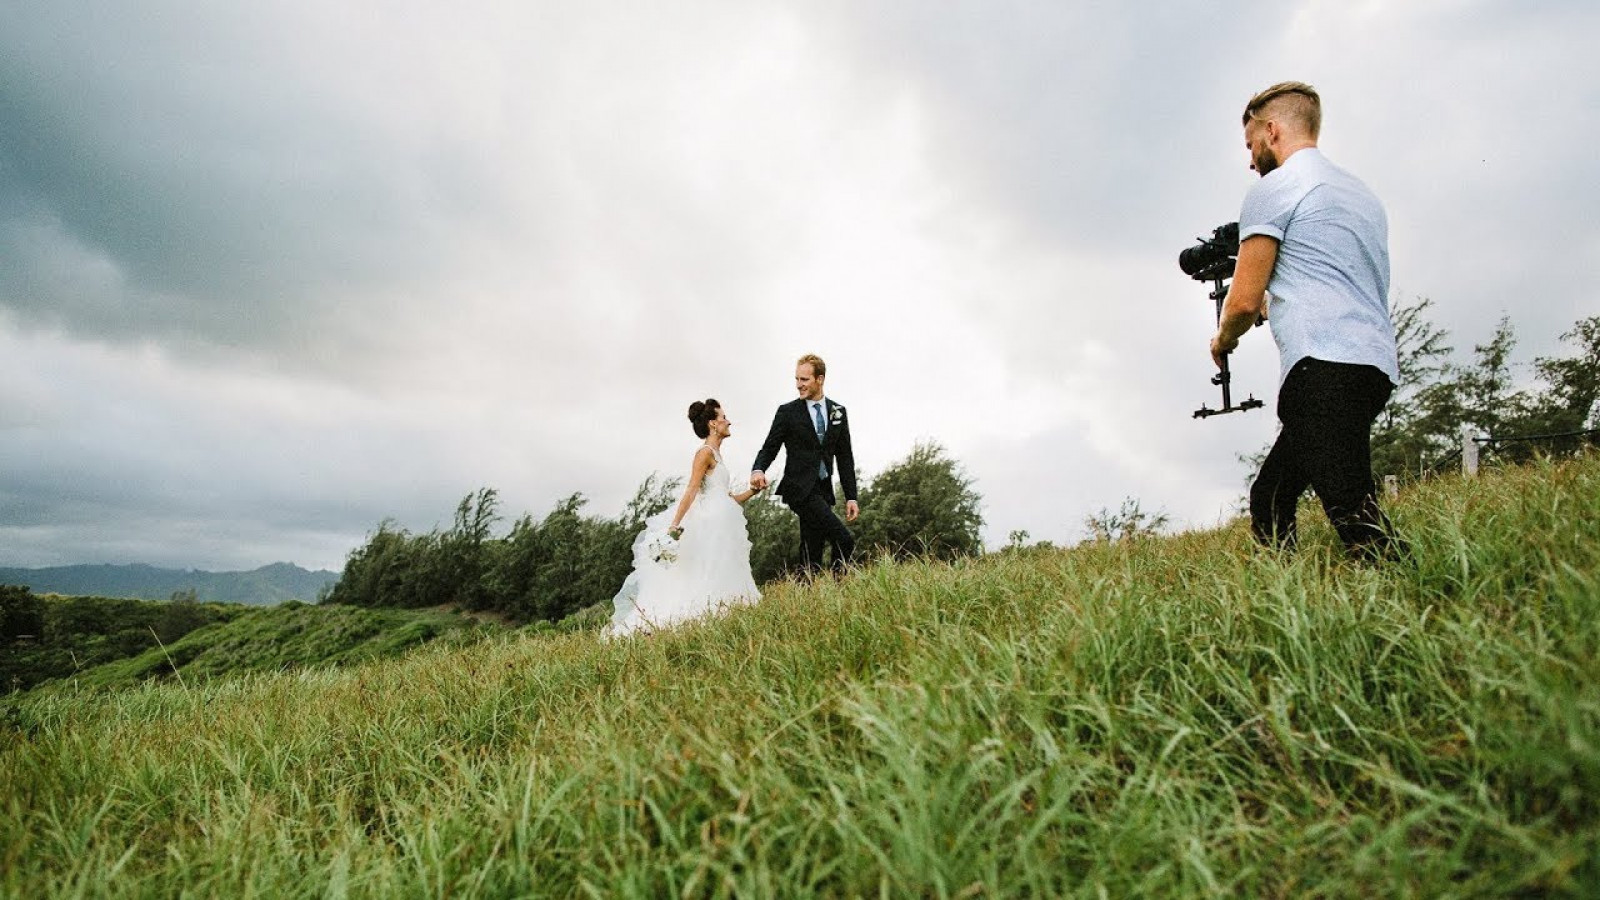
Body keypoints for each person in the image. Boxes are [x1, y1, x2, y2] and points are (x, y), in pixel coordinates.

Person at [1210, 81, 1403, 560]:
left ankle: (1421, 597)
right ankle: (1288, 603)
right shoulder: (1360, 195)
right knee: (1272, 495)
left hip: (1321, 368)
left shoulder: (1274, 190)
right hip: (1372, 366)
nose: (1251, 160)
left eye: (1251, 144)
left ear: (1272, 131)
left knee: (1352, 511)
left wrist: (1223, 339)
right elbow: (1328, 280)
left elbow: (1241, 301)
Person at [607, 399, 763, 637]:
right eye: (723, 417)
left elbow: (727, 497)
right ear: (713, 424)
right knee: (709, 570)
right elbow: (691, 489)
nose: (728, 421)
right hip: (710, 523)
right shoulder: (704, 453)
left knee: (725, 567)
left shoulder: (718, 456)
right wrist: (674, 525)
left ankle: (729, 614)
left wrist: (753, 491)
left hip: (724, 522)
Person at [750, 353, 859, 577]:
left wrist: (851, 496)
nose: (799, 385)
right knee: (844, 539)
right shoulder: (787, 412)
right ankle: (840, 589)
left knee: (812, 550)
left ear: (820, 379)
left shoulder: (838, 412)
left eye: (804, 380)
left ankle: (807, 594)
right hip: (799, 488)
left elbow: (845, 457)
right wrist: (758, 469)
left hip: (823, 489)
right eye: (797, 379)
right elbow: (770, 446)